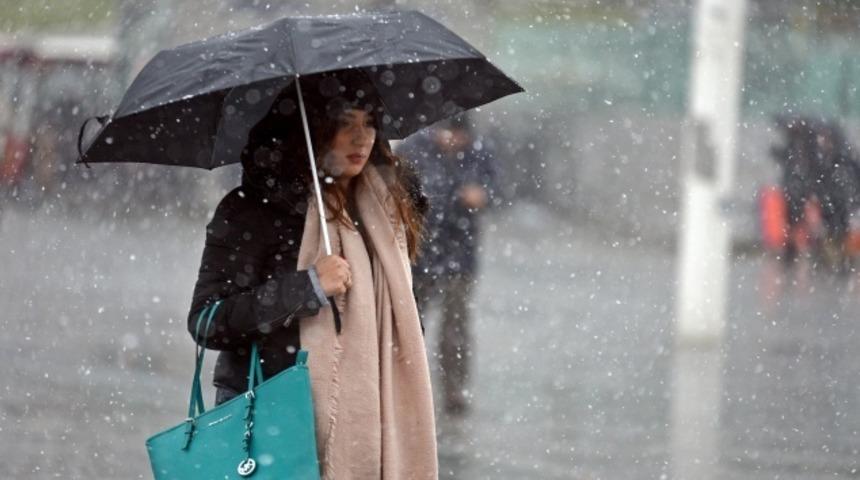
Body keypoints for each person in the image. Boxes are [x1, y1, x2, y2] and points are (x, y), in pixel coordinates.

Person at [187, 74, 437, 479]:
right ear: (309, 132)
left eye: (369, 123)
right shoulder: (253, 210)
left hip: (370, 417)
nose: (361, 138)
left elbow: (399, 320)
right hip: (274, 416)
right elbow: (207, 320)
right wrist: (307, 287)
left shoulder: (382, 212)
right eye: (344, 123)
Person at [395, 114, 496, 416]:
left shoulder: (479, 151)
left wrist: (484, 197)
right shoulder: (414, 148)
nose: (455, 142)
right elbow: (397, 190)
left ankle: (454, 391)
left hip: (460, 253)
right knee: (410, 325)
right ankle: (403, 386)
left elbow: (497, 188)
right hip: (419, 252)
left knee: (455, 328)